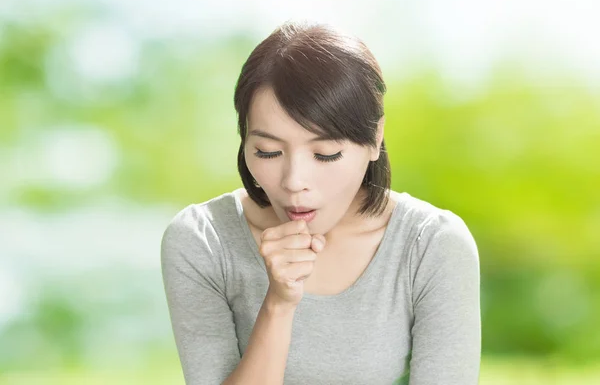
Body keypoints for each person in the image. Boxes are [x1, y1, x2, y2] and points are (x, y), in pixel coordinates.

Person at [161, 20, 481, 385]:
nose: (294, 182)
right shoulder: (203, 240)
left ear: (375, 139)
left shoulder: (433, 244)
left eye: (326, 154)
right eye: (268, 151)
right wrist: (278, 305)